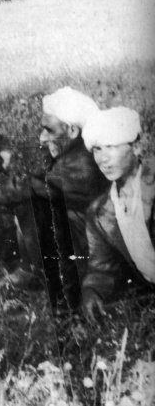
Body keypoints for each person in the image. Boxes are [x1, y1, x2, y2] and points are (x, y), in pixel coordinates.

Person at [0, 87, 108, 311]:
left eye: (48, 130)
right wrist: (4, 167)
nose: (42, 137)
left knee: (34, 203)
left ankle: (55, 283)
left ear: (72, 130)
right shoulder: (77, 153)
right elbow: (37, 179)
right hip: (88, 245)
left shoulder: (82, 164)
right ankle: (37, 271)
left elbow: (25, 188)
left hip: (97, 257)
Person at [80, 107, 154, 321]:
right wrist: (93, 291)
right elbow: (102, 267)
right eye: (97, 149)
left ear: (136, 146)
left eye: (111, 147)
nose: (102, 158)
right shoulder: (99, 212)